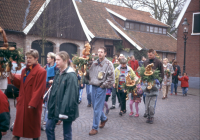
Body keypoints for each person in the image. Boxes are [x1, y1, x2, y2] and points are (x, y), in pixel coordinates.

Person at [10, 49, 46, 140]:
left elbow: (39, 89)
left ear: (36, 58)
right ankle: (16, 136)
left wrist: (33, 103)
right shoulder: (24, 71)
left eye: (30, 58)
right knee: (18, 127)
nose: (28, 60)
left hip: (32, 103)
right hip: (22, 102)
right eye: (27, 58)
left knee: (33, 128)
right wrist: (13, 79)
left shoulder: (41, 71)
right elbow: (22, 86)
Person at [46, 51, 79, 140]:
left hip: (67, 109)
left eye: (58, 60)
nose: (56, 61)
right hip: (55, 108)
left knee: (67, 134)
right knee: (48, 128)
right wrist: (51, 106)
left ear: (65, 61)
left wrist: (63, 112)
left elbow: (69, 96)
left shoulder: (71, 75)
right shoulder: (58, 73)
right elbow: (54, 93)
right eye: (56, 59)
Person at [88, 46, 114, 135]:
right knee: (95, 106)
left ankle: (94, 128)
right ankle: (103, 118)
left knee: (97, 108)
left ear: (105, 53)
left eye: (101, 52)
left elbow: (111, 78)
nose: (99, 53)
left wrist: (103, 86)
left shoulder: (109, 64)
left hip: (101, 88)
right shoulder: (94, 63)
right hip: (93, 87)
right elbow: (90, 74)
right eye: (98, 52)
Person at [143, 49, 164, 118]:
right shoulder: (145, 62)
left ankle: (151, 114)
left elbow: (162, 73)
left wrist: (158, 83)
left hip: (154, 84)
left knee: (152, 102)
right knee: (145, 98)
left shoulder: (158, 62)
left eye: (150, 55)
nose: (149, 56)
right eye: (148, 55)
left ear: (154, 54)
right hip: (146, 84)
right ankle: (147, 111)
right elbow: (143, 72)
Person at [43, 52, 58, 125]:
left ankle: (54, 118)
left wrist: (54, 80)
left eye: (48, 57)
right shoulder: (46, 66)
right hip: (46, 86)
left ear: (52, 59)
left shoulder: (57, 67)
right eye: (47, 57)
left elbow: (59, 77)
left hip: (54, 87)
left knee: (53, 102)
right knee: (46, 102)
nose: (47, 58)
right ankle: (46, 119)